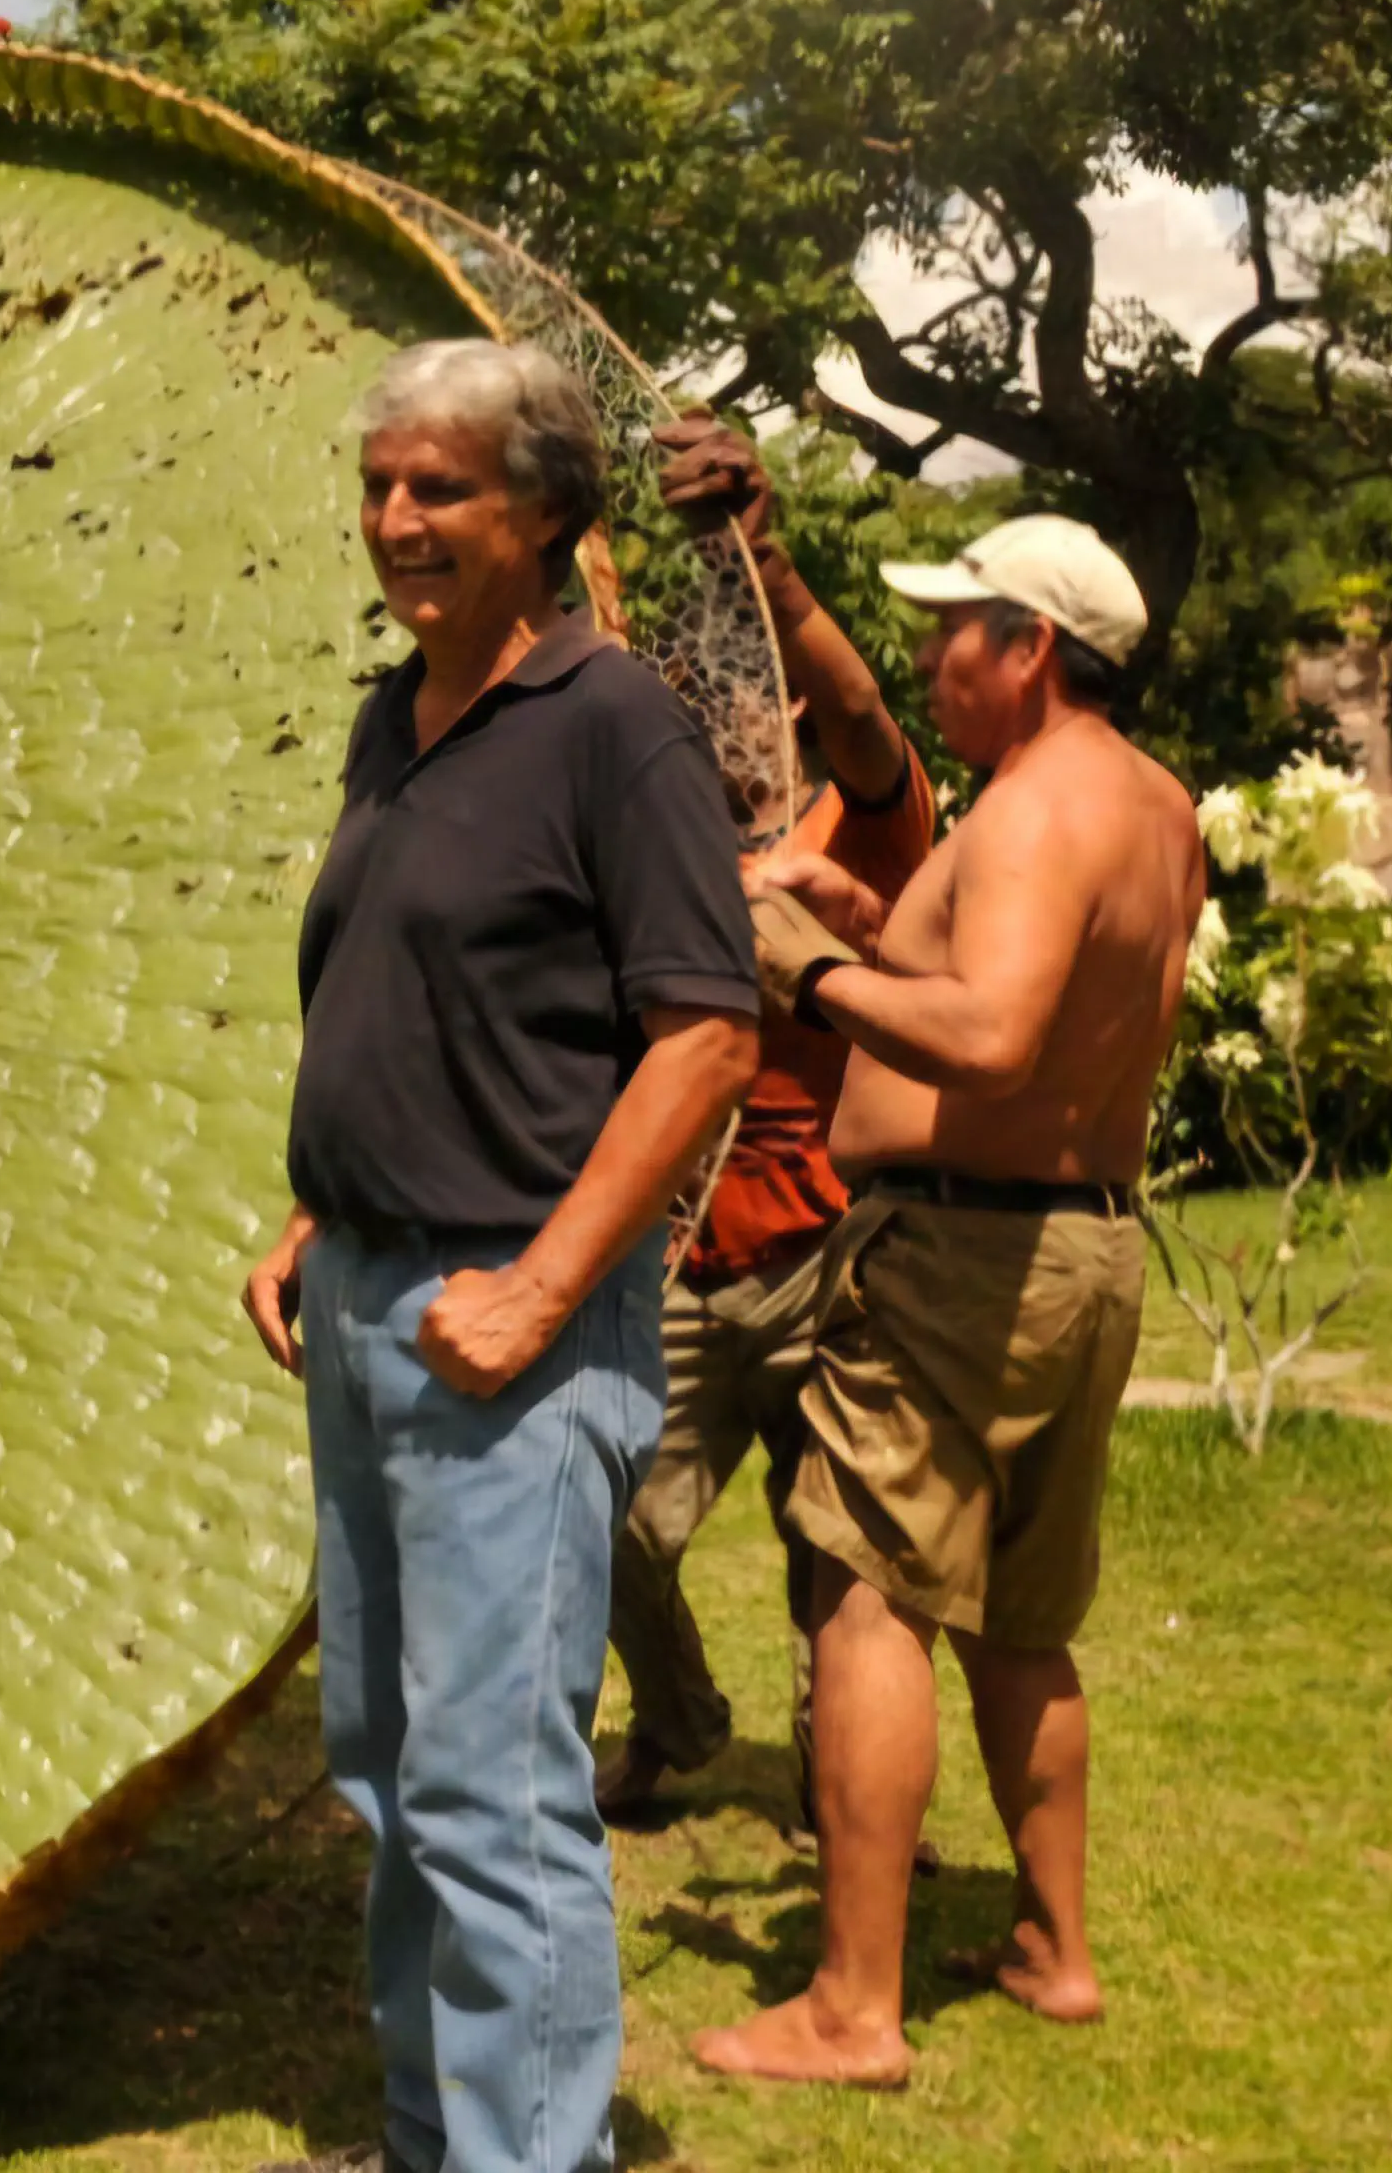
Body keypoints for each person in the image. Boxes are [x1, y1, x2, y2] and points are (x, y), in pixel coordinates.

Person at [239, 341, 762, 2173]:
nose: (398, 521)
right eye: (381, 485)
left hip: (512, 1324)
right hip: (374, 1295)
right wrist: (328, 1208)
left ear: (544, 510)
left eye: (442, 489)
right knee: (387, 1767)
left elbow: (706, 1032)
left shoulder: (617, 726)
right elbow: (420, 987)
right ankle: (430, 2137)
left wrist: (541, 1288)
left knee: (492, 1788)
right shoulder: (399, 717)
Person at [692, 515, 1203, 2090]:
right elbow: (1038, 994)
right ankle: (1054, 1948)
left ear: (1031, 645)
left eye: (952, 630)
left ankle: (852, 2008)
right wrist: (856, 918)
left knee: (867, 1588)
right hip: (1082, 1247)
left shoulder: (1040, 806)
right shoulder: (1150, 805)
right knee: (1027, 1627)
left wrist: (806, 974)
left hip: (964, 1259)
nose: (930, 659)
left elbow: (989, 1039)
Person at [595, 418, 936, 1830]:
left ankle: (839, 1793)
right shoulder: (651, 843)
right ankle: (677, 1720)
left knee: (839, 1553)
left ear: (786, 708)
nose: (716, 721)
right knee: (605, 1521)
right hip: (676, 1253)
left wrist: (768, 562)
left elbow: (863, 717)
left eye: (743, 700)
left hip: (830, 1252)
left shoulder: (872, 820)